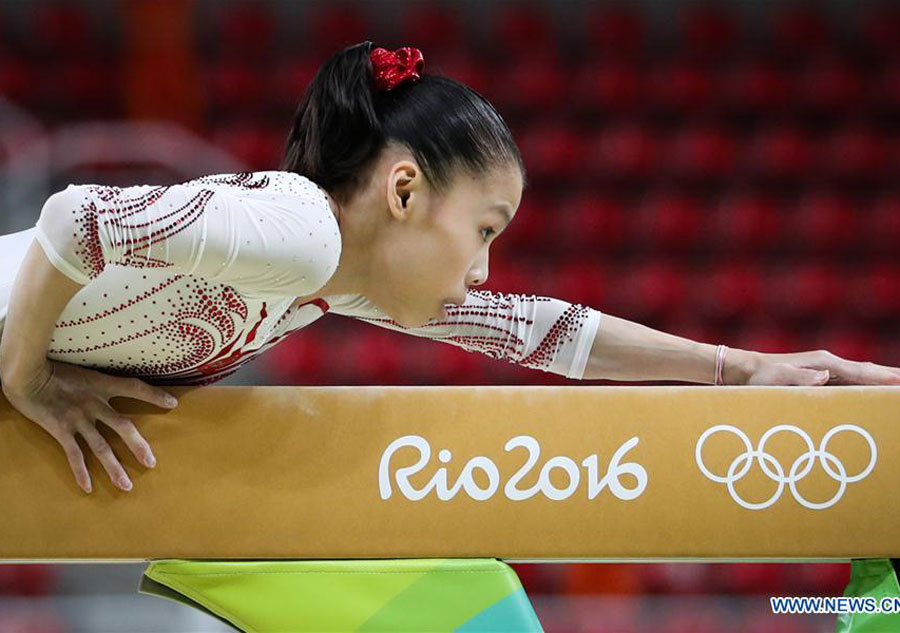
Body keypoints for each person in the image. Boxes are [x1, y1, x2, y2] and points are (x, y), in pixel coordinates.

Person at [0, 41, 898, 496]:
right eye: (484, 228)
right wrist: (27, 373)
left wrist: (741, 368)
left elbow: (544, 330)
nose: (484, 267)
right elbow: (74, 216)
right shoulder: (301, 230)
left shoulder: (335, 279)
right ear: (403, 189)